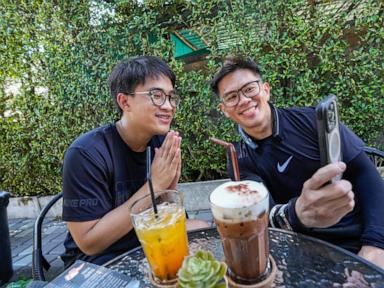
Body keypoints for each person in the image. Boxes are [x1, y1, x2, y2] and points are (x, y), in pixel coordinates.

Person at [210, 56, 384, 268]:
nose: (244, 100)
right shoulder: (239, 159)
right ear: (225, 110)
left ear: (265, 89)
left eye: (249, 89)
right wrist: (297, 212)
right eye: (232, 97)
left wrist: (375, 244)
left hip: (359, 233)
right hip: (304, 251)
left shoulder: (311, 120)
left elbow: (365, 173)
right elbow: (265, 219)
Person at [61, 56, 208, 267]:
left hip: (149, 238)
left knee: (203, 229)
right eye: (156, 95)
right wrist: (155, 186)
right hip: (99, 259)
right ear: (124, 101)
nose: (168, 106)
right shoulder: (86, 153)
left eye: (171, 97)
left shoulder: (159, 142)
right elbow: (89, 244)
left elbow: (167, 213)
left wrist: (169, 188)